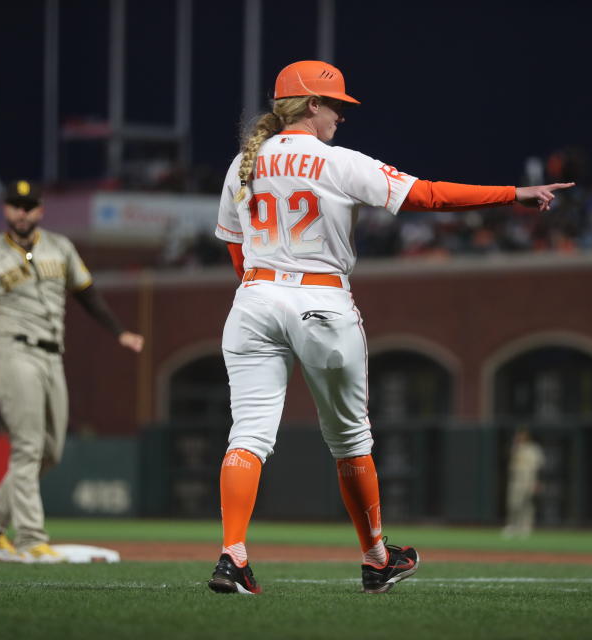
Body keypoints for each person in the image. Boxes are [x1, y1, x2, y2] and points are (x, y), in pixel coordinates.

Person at [210, 60, 573, 595]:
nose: (341, 114)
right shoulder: (335, 161)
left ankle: (232, 556)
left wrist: (263, 292)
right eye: (335, 104)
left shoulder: (243, 163)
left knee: (249, 435)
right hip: (321, 299)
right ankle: (377, 559)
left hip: (254, 300)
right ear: (311, 104)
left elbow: (235, 245)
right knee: (351, 442)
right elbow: (426, 195)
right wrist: (511, 193)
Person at [0, 179, 144, 563]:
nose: (22, 212)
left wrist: (119, 332)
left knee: (50, 451)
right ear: (6, 209)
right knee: (28, 446)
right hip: (13, 351)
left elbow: (88, 293)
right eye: (16, 205)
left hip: (53, 357)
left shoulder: (60, 247)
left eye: (29, 205)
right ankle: (31, 538)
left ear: (40, 209)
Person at [503, 429, 546, 538]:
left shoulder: (534, 449)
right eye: (518, 436)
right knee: (513, 503)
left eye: (521, 436)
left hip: (529, 480)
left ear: (527, 436)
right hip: (516, 480)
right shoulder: (516, 448)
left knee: (527, 505)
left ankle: (525, 527)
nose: (519, 438)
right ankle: (512, 526)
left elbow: (539, 467)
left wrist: (538, 482)